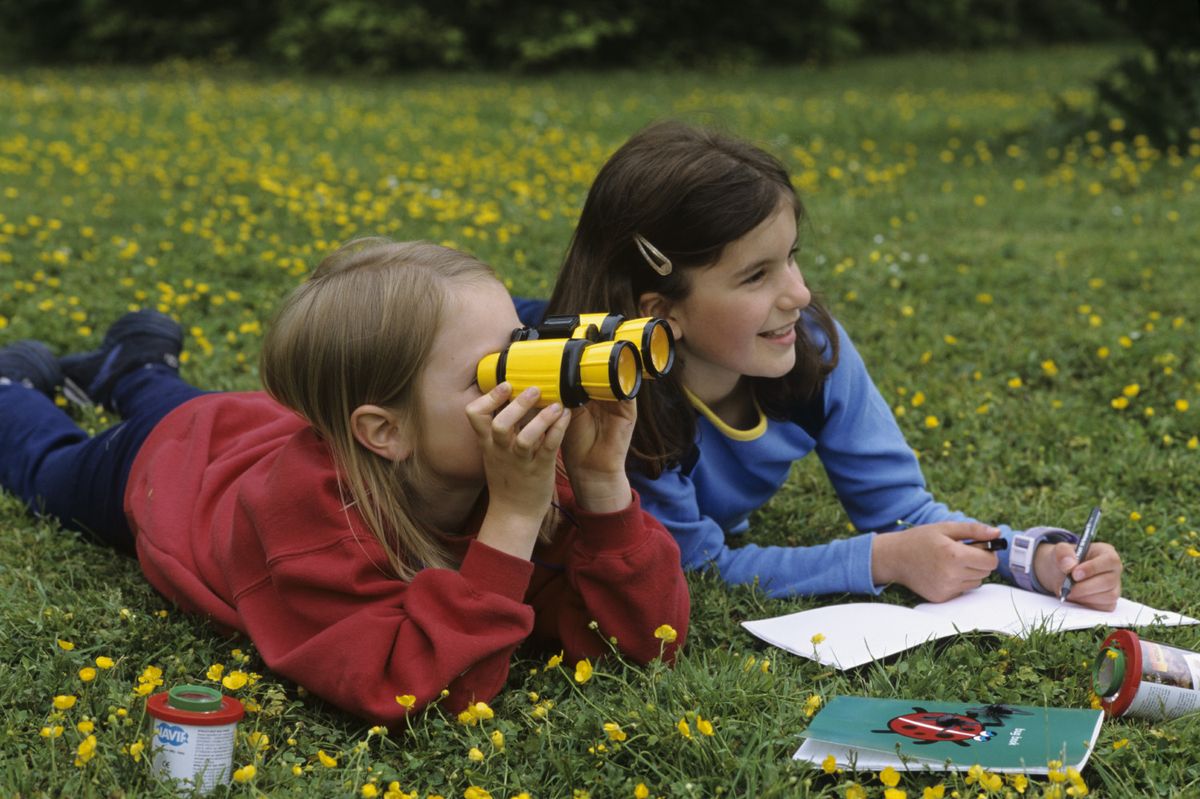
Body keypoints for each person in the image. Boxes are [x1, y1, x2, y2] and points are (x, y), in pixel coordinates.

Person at [0, 239, 689, 724]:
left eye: (525, 344)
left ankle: (137, 364)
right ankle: (15, 383)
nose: (526, 384)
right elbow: (421, 690)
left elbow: (645, 643)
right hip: (171, 466)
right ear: (385, 430)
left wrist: (603, 485)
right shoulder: (311, 525)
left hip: (255, 425)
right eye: (493, 370)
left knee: (169, 397)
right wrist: (510, 518)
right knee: (51, 468)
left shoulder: (513, 463)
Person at [523, 120, 1123, 609]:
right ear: (660, 313)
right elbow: (694, 567)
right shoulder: (616, 402)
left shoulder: (811, 347)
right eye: (757, 275)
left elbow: (906, 513)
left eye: (791, 259)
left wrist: (1036, 556)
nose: (799, 294)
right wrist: (882, 559)